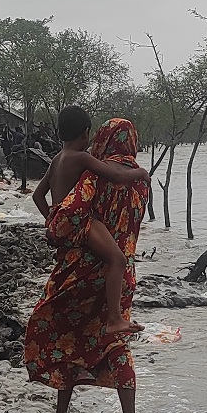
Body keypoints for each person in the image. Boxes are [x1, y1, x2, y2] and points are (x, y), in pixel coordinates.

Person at [24, 108, 151, 413]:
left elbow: (58, 203)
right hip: (116, 277)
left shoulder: (86, 172)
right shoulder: (138, 183)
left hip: (77, 268)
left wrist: (54, 225)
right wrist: (140, 172)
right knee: (117, 345)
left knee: (69, 338)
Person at [32, 109, 148, 338]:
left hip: (60, 220)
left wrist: (52, 222)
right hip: (79, 219)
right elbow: (115, 175)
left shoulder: (57, 159)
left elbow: (37, 195)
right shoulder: (81, 158)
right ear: (86, 133)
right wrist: (140, 173)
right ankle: (114, 320)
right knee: (118, 259)